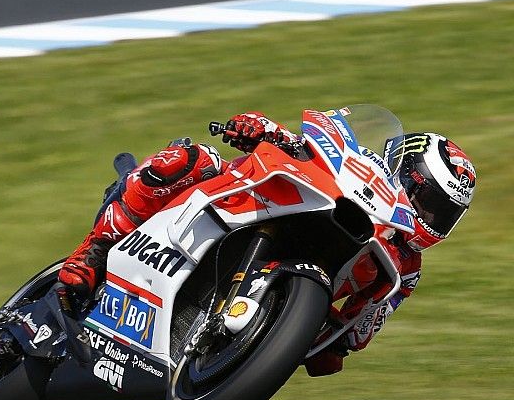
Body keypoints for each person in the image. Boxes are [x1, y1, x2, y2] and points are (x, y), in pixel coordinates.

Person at [57, 111, 476, 376]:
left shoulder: (406, 266)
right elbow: (295, 143)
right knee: (188, 159)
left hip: (291, 286)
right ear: (405, 170)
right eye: (427, 200)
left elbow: (361, 328)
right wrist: (260, 128)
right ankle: (90, 254)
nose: (430, 216)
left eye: (442, 213)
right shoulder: (359, 165)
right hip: (244, 206)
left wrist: (322, 338)